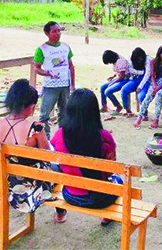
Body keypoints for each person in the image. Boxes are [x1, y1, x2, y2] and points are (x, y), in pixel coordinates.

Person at [50, 89, 118, 224]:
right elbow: (110, 170)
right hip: (99, 199)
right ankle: (107, 217)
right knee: (118, 181)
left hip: (71, 195)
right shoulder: (103, 137)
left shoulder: (59, 135)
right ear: (93, 112)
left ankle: (59, 214)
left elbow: (54, 160)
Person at [0, 79, 53, 211]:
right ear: (31, 106)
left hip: (2, 178)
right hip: (28, 183)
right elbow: (47, 156)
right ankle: (60, 211)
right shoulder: (36, 129)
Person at [33, 21, 76, 138]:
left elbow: (71, 66)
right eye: (54, 31)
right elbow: (36, 68)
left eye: (59, 31)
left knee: (64, 113)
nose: (58, 34)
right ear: (47, 33)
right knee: (45, 114)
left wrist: (72, 84)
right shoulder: (42, 49)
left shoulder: (66, 47)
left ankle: (62, 137)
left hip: (65, 85)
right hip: (50, 86)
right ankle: (45, 139)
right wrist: (47, 73)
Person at [133, 45, 162, 129]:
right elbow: (152, 76)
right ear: (159, 54)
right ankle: (140, 117)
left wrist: (159, 87)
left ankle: (156, 119)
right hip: (155, 82)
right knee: (147, 97)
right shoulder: (153, 61)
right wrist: (154, 85)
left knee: (158, 97)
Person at [120, 47, 152, 118]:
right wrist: (140, 72)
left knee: (141, 96)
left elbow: (147, 74)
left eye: (140, 58)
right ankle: (128, 111)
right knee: (124, 90)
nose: (139, 60)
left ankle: (144, 112)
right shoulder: (131, 59)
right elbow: (130, 70)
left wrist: (140, 86)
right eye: (138, 59)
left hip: (144, 81)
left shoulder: (147, 60)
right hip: (134, 78)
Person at [100, 50, 130, 114]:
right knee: (103, 87)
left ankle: (118, 106)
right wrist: (112, 77)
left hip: (125, 80)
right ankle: (104, 106)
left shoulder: (121, 61)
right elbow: (118, 72)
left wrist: (112, 83)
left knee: (107, 91)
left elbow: (122, 76)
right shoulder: (115, 61)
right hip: (118, 78)